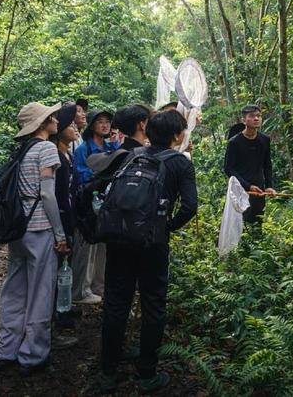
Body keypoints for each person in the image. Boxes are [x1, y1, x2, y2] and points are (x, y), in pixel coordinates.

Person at [98, 110, 198, 394]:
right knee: (153, 303)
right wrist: (167, 227)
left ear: (148, 130)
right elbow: (190, 207)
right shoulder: (180, 163)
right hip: (152, 243)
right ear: (177, 136)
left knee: (116, 301)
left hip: (119, 239)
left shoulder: (129, 156)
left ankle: (108, 370)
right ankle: (147, 373)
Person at [0, 102, 69, 375]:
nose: (57, 119)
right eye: (52, 116)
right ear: (42, 123)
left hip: (17, 227)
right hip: (39, 228)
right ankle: (33, 355)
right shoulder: (47, 149)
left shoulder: (20, 150)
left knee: (15, 288)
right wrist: (60, 234)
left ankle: (6, 351)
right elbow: (48, 195)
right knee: (40, 291)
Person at [73, 109, 117, 304]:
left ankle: (99, 286)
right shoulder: (83, 149)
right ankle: (82, 289)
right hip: (88, 204)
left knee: (102, 249)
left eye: (107, 122)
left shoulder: (111, 147)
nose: (105, 125)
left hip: (106, 204)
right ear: (92, 126)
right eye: (100, 121)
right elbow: (81, 176)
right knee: (87, 247)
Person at [50, 103, 81, 346]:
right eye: (70, 125)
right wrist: (64, 230)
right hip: (59, 220)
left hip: (66, 218)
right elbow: (59, 196)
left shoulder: (66, 153)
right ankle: (54, 318)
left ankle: (63, 310)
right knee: (54, 271)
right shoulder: (56, 156)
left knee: (63, 269)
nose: (75, 128)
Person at [224, 104, 275, 226]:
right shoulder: (234, 142)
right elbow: (228, 168)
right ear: (244, 120)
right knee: (238, 223)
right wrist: (247, 186)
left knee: (257, 222)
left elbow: (267, 164)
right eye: (252, 116)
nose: (256, 119)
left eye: (258, 116)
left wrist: (269, 186)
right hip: (239, 189)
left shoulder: (265, 140)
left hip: (259, 189)